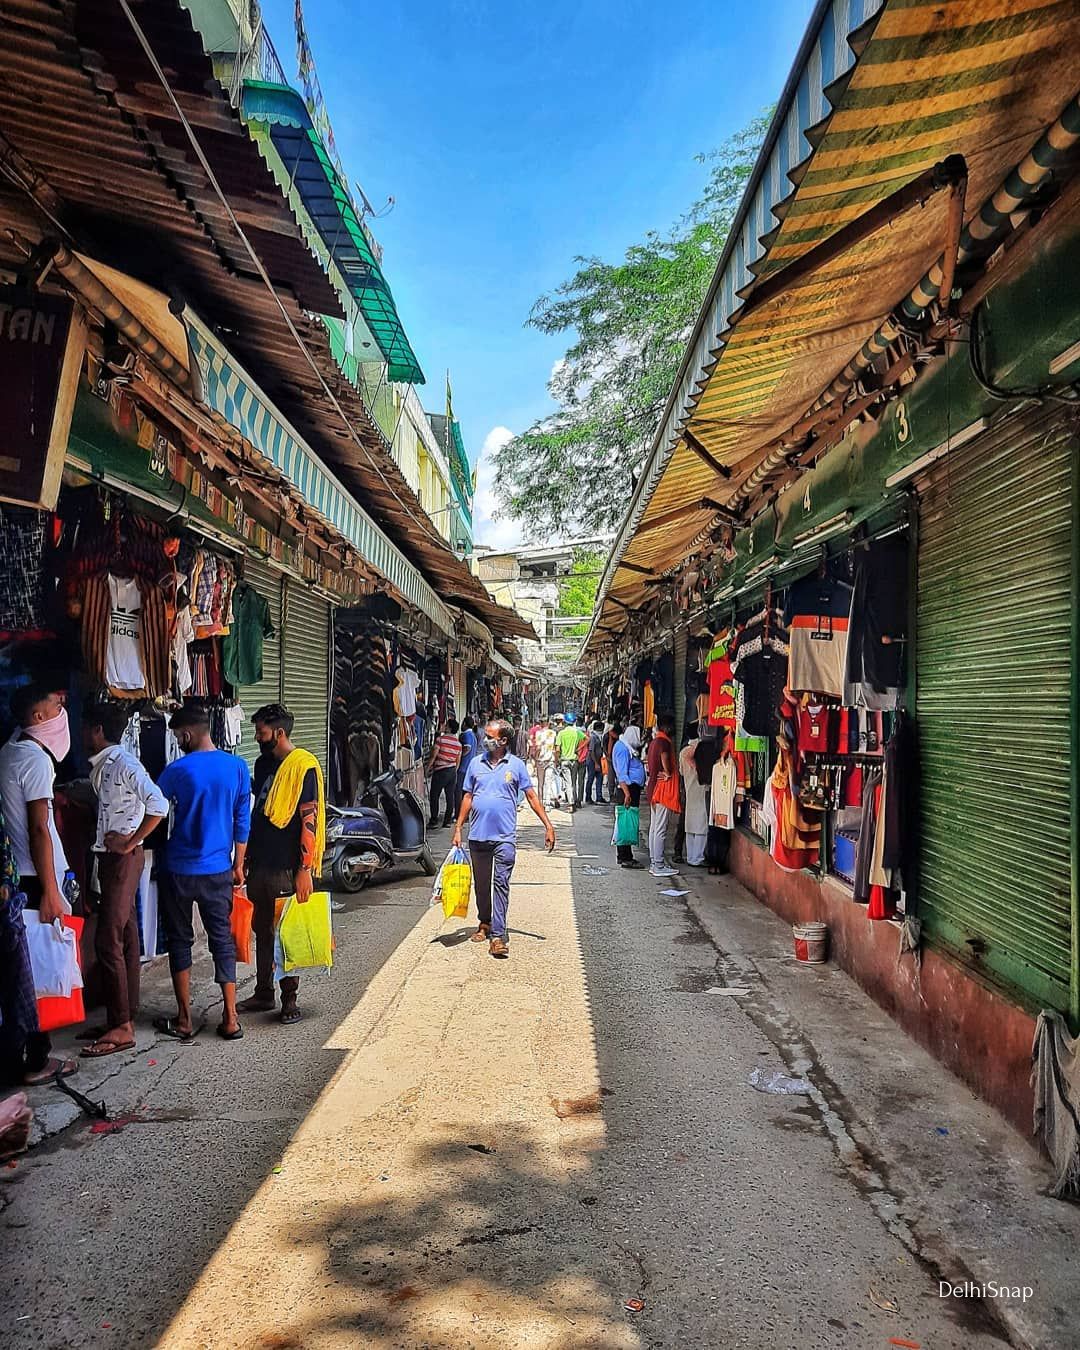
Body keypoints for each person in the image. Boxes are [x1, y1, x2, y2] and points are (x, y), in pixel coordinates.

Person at [155, 705, 250, 1042]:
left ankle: (184, 1019)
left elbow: (155, 809)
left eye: (176, 736)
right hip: (218, 870)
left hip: (178, 868)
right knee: (221, 939)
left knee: (180, 940)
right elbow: (242, 821)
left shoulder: (175, 771)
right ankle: (231, 1017)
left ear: (186, 734)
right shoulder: (237, 767)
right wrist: (238, 864)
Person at [0, 686, 78, 1084]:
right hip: (34, 875)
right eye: (55, 705)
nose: (62, 710)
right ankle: (36, 1059)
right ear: (37, 718)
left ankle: (28, 1052)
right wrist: (50, 890)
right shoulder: (33, 760)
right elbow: (38, 829)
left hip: (23, 875)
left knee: (24, 968)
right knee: (39, 967)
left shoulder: (10, 749)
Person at [81, 702, 168, 1057]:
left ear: (98, 730)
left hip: (122, 858)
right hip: (115, 857)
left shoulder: (124, 763)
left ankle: (121, 1027)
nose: (81, 734)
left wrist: (131, 841)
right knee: (127, 933)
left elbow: (159, 805)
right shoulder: (107, 765)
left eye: (86, 727)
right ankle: (124, 1014)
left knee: (108, 938)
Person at [241, 703, 325, 1026]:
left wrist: (304, 870)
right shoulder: (262, 765)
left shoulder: (302, 766)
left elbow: (309, 818)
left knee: (284, 933)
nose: (256, 737)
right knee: (261, 929)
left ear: (277, 733)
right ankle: (264, 991)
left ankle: (289, 997)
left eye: (260, 732)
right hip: (260, 861)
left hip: (285, 866)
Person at [452, 718, 555, 958]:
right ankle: (484, 922)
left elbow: (531, 796)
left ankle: (497, 935)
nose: (485, 740)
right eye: (485, 735)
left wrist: (548, 825)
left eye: (490, 736)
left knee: (501, 884)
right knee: (482, 885)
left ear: (503, 740)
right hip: (478, 835)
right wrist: (458, 828)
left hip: (505, 837)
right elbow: (467, 797)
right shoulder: (476, 764)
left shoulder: (516, 766)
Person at [645, 713, 680, 878]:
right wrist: (668, 772)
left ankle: (655, 861)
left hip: (653, 788)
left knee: (654, 828)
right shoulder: (664, 743)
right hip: (662, 790)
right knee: (660, 829)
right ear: (666, 727)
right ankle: (658, 864)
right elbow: (665, 759)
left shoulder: (653, 742)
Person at [612, 725, 646, 869]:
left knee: (626, 822)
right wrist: (627, 794)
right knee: (626, 823)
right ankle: (626, 857)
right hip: (628, 789)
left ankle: (624, 855)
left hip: (630, 788)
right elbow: (622, 773)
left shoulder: (626, 747)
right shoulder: (622, 749)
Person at [678, 733, 709, 868]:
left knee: (690, 825)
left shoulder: (682, 752)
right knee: (701, 825)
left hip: (689, 788)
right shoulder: (697, 750)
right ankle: (698, 857)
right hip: (699, 788)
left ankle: (691, 856)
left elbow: (681, 772)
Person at [426, 717, 462, 828]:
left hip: (441, 771)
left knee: (434, 795)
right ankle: (447, 821)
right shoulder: (458, 744)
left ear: (450, 728)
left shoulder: (440, 740)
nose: (444, 727)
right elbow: (458, 761)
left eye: (446, 725)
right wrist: (453, 771)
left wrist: (427, 769)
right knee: (449, 796)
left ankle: (434, 820)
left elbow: (433, 756)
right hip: (452, 771)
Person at [555, 714, 587, 811]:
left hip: (564, 760)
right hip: (574, 760)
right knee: (573, 782)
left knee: (568, 783)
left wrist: (557, 760)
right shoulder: (577, 732)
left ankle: (571, 804)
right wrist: (579, 748)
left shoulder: (561, 733)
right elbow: (587, 739)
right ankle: (576, 801)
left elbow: (557, 749)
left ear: (565, 722)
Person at [455, 715, 478, 820]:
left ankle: (459, 814)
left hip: (463, 767)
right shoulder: (473, 735)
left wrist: (458, 756)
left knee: (459, 791)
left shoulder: (466, 735)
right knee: (467, 792)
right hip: (470, 767)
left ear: (464, 724)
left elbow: (467, 748)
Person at [533, 715, 555, 806]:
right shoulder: (553, 733)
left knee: (540, 783)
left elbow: (538, 747)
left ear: (541, 723)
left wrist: (535, 758)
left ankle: (540, 802)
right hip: (550, 760)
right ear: (548, 723)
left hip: (540, 760)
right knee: (548, 782)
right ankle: (548, 803)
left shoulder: (538, 733)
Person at [585, 720, 606, 805]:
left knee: (599, 779)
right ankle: (588, 797)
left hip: (598, 760)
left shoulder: (599, 737)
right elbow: (591, 751)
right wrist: (596, 763)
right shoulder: (593, 737)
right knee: (590, 779)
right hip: (592, 761)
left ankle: (599, 797)